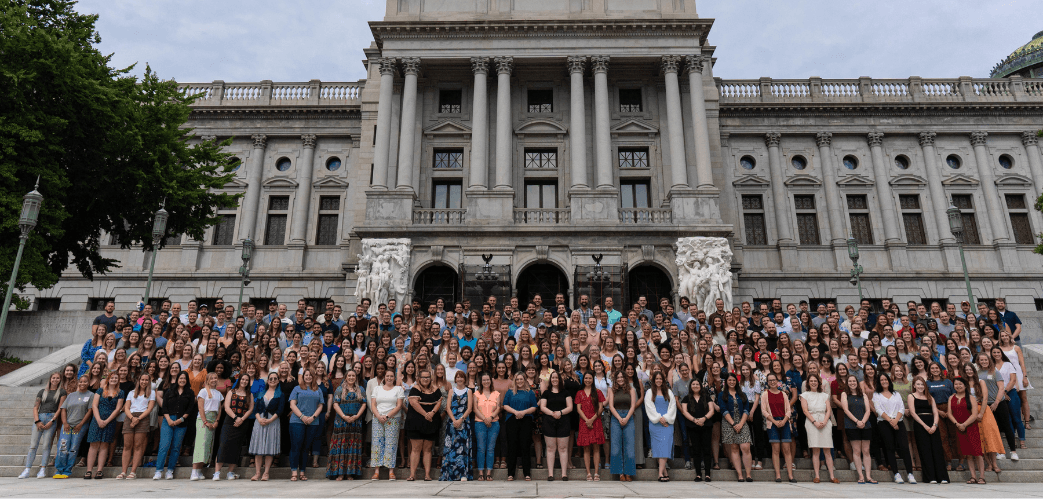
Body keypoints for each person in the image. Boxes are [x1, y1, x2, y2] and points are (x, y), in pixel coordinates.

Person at [19, 372, 66, 479]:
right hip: (40, 417)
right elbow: (36, 407)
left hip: (51, 418)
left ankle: (43, 469)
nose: (55, 380)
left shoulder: (62, 392)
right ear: (50, 379)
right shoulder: (42, 391)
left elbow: (60, 408)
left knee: (46, 445)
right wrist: (37, 421)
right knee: (33, 445)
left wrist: (52, 421)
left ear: (60, 380)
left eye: (57, 378)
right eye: (53, 378)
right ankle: (27, 469)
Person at [873, 372, 915, 484]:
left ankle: (910, 473)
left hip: (899, 422)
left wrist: (896, 420)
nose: (884, 382)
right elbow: (878, 410)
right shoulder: (876, 394)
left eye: (885, 379)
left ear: (889, 381)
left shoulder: (896, 393)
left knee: (904, 447)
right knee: (889, 448)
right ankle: (896, 474)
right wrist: (891, 421)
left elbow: (901, 407)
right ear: (879, 382)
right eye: (881, 380)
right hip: (884, 423)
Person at [908, 377, 950, 484]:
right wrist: (925, 426)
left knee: (937, 450)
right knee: (925, 451)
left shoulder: (930, 397)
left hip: (933, 424)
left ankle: (942, 477)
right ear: (914, 386)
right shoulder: (911, 396)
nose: (920, 386)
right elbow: (913, 413)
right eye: (918, 384)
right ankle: (930, 477)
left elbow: (936, 413)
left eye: (922, 384)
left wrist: (935, 425)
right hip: (920, 425)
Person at [213, 373, 254, 480]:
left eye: (246, 380)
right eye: (242, 379)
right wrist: (236, 418)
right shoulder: (232, 392)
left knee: (236, 447)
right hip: (230, 421)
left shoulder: (250, 394)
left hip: (243, 422)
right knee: (223, 444)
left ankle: (230, 472)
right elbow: (226, 407)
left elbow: (250, 409)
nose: (244, 381)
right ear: (239, 380)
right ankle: (217, 472)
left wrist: (242, 419)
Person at [326, 369, 365, 480]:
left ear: (356, 377)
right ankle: (340, 473)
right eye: (349, 375)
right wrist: (344, 416)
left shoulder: (360, 389)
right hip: (341, 422)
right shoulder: (340, 389)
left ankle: (349, 473)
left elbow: (364, 404)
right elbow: (335, 404)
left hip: (355, 422)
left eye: (353, 375)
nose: (351, 377)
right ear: (346, 377)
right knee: (341, 446)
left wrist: (357, 416)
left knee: (352, 447)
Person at [155, 371, 194, 480]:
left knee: (176, 447)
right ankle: (158, 470)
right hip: (168, 420)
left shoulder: (190, 393)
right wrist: (168, 419)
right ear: (177, 379)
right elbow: (164, 407)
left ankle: (170, 470)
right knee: (164, 445)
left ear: (187, 380)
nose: (182, 380)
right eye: (180, 378)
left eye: (184, 378)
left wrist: (180, 420)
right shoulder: (169, 391)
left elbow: (189, 409)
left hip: (182, 422)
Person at [54, 375, 94, 479]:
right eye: (81, 382)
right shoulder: (71, 395)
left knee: (73, 448)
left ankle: (67, 470)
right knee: (63, 446)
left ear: (88, 383)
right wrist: (65, 422)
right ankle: (59, 469)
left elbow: (90, 411)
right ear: (78, 383)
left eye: (85, 382)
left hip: (80, 426)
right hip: (67, 425)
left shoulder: (91, 395)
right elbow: (63, 409)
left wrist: (81, 424)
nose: (82, 384)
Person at [288, 368, 325, 481]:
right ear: (303, 376)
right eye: (306, 375)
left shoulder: (318, 390)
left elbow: (320, 406)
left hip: (313, 422)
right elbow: (292, 405)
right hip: (297, 421)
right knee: (296, 446)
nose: (308, 377)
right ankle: (294, 471)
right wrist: (302, 417)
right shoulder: (297, 388)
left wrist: (313, 417)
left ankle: (302, 472)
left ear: (313, 377)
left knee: (306, 448)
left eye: (310, 375)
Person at [85, 374, 124, 479]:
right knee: (93, 445)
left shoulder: (120, 392)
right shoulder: (100, 390)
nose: (114, 379)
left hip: (110, 421)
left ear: (118, 380)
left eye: (116, 378)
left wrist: (106, 421)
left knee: (104, 445)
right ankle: (89, 470)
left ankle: (99, 470)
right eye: (112, 378)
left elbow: (118, 409)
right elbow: (94, 405)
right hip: (97, 420)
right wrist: (98, 420)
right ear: (108, 379)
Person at [405, 368, 442, 481]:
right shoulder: (415, 389)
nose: (425, 379)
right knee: (416, 448)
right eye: (423, 377)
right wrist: (426, 414)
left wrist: (432, 413)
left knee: (428, 449)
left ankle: (427, 475)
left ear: (430, 378)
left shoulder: (436, 390)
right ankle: (412, 475)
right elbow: (413, 403)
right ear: (419, 379)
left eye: (427, 377)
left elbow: (439, 402)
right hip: (416, 422)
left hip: (431, 422)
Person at [117, 373, 156, 479]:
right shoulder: (131, 393)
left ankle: (133, 471)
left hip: (142, 418)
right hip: (130, 417)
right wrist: (132, 418)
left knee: (138, 446)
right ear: (138, 380)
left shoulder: (151, 393)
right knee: (127, 446)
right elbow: (127, 408)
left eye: (146, 380)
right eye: (142, 379)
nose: (144, 382)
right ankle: (123, 471)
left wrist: (138, 419)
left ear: (149, 382)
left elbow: (149, 408)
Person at [800, 373, 837, 483]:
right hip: (812, 421)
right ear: (808, 383)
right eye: (811, 381)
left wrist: (825, 421)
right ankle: (817, 476)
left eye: (815, 381)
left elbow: (829, 410)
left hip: (825, 420)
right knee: (815, 450)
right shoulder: (804, 395)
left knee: (827, 450)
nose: (813, 383)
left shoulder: (824, 395)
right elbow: (805, 410)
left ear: (819, 382)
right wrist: (814, 422)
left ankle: (832, 476)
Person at [718, 373, 754, 482]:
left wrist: (741, 424)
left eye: (733, 380)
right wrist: (733, 424)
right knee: (734, 448)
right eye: (729, 380)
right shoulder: (721, 395)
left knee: (745, 447)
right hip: (729, 423)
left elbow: (746, 409)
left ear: (736, 382)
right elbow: (723, 410)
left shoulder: (742, 394)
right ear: (726, 382)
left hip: (742, 422)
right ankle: (740, 475)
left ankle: (748, 474)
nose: (732, 382)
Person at [948, 377, 985, 484]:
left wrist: (964, 424)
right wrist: (957, 424)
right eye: (956, 384)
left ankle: (981, 477)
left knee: (977, 453)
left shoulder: (971, 398)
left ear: (965, 386)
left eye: (960, 384)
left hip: (971, 427)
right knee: (967, 454)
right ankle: (973, 476)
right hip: (959, 428)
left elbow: (974, 415)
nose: (958, 386)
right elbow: (949, 413)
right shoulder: (951, 398)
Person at [369, 368, 404, 480]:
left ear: (394, 378)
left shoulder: (398, 389)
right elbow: (373, 404)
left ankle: (391, 471)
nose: (389, 378)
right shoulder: (377, 388)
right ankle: (376, 471)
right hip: (378, 418)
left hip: (393, 419)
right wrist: (379, 416)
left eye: (391, 376)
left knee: (391, 444)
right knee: (377, 444)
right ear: (384, 377)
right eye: (387, 376)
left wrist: (387, 416)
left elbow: (399, 406)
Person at [840, 374, 875, 484]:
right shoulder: (844, 394)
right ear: (847, 383)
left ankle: (868, 476)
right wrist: (857, 421)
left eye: (854, 381)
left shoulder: (863, 395)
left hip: (865, 425)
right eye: (850, 381)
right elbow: (846, 410)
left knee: (866, 451)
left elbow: (868, 410)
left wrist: (863, 422)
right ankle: (861, 476)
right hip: (851, 425)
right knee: (856, 451)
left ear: (857, 382)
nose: (852, 383)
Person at [503, 371, 538, 481]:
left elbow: (534, 407)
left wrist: (523, 412)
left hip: (526, 419)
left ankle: (527, 473)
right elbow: (505, 405)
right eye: (517, 379)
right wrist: (516, 412)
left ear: (525, 380)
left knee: (525, 446)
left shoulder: (530, 393)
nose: (519, 381)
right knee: (512, 446)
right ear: (515, 381)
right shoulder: (510, 392)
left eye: (521, 379)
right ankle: (511, 473)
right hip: (512, 420)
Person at [679, 378, 715, 482]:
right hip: (693, 426)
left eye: (697, 384)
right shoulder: (686, 398)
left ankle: (707, 474)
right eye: (693, 384)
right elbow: (684, 412)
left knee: (707, 450)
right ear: (690, 386)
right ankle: (698, 474)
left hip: (706, 425)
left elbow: (712, 410)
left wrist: (704, 419)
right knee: (696, 450)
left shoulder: (707, 397)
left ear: (701, 386)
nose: (695, 386)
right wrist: (695, 420)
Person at [762, 373, 795, 483]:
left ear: (777, 381)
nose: (772, 382)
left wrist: (784, 420)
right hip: (772, 423)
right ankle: (778, 475)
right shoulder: (765, 394)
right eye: (770, 380)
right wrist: (775, 421)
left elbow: (789, 410)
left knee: (787, 449)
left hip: (784, 422)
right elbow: (764, 411)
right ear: (767, 382)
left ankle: (790, 475)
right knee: (775, 450)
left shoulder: (783, 394)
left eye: (774, 380)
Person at [440, 371, 473, 481]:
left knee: (463, 448)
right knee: (452, 448)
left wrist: (461, 419)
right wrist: (454, 420)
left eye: (461, 377)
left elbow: (469, 408)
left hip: (464, 423)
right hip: (452, 423)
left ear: (464, 379)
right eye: (457, 377)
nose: (459, 379)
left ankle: (463, 474)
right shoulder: (451, 391)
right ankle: (451, 474)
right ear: (455, 379)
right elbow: (448, 407)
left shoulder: (468, 391)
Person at [250, 372, 283, 481]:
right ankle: (258, 473)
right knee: (258, 448)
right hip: (259, 422)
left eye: (275, 379)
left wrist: (269, 420)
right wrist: (259, 419)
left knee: (269, 447)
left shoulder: (280, 394)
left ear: (278, 381)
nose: (273, 380)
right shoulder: (261, 393)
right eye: (271, 378)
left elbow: (280, 410)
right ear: (267, 381)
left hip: (272, 422)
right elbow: (255, 410)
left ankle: (266, 473)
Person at [644, 371, 676, 482]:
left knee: (665, 447)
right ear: (653, 380)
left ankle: (660, 473)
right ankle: (663, 472)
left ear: (663, 380)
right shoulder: (649, 392)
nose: (658, 380)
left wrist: (665, 418)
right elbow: (649, 407)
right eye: (656, 379)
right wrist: (659, 418)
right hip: (655, 424)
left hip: (667, 424)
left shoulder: (668, 392)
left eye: (660, 379)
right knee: (658, 448)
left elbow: (673, 406)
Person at [607, 370, 637, 482]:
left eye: (622, 377)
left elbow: (633, 406)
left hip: (628, 417)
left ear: (625, 378)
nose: (620, 379)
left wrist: (626, 418)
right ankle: (620, 473)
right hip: (616, 418)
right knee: (615, 447)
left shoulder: (631, 389)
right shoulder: (611, 390)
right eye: (618, 377)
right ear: (615, 379)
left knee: (629, 447)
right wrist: (619, 418)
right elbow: (611, 406)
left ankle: (628, 473)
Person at [575, 371, 605, 482]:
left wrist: (592, 419)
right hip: (584, 422)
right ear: (584, 380)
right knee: (586, 448)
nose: (588, 380)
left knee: (596, 448)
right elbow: (578, 409)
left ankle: (596, 473)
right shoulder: (579, 393)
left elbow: (601, 408)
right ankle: (588, 473)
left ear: (593, 380)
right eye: (586, 378)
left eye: (590, 378)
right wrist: (587, 420)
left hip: (595, 421)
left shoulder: (598, 392)